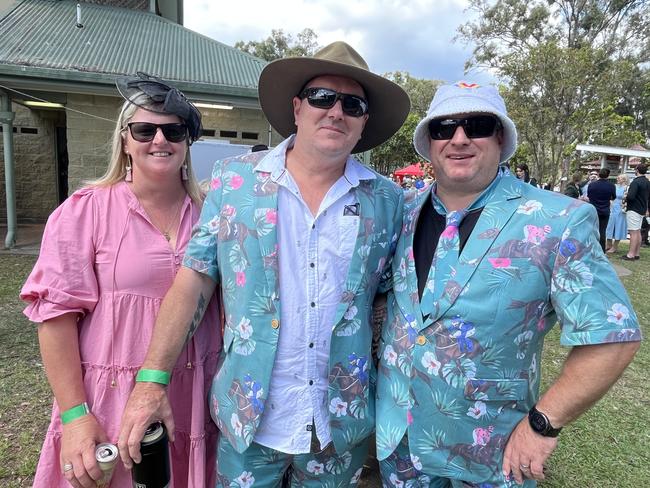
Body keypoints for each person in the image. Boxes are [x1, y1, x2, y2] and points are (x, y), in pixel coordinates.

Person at [118, 41, 410, 486]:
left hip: (340, 425)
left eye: (352, 104)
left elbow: (388, 302)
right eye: (321, 97)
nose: (335, 111)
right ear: (297, 107)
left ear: (364, 120)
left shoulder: (388, 200)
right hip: (247, 418)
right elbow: (194, 279)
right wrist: (151, 380)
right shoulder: (235, 181)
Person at [375, 81, 641, 487]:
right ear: (429, 142)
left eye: (476, 125)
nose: (459, 139)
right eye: (444, 128)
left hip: (490, 455)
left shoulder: (558, 219)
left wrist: (543, 424)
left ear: (500, 137)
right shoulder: (403, 212)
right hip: (400, 447)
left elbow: (614, 337)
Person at [20, 73, 221, 488]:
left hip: (195, 391)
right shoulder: (86, 211)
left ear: (187, 142)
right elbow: (55, 318)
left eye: (173, 130)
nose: (159, 140)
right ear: (125, 140)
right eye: (145, 130)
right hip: (111, 395)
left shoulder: (216, 214)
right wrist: (75, 415)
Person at [621, 163, 650, 261]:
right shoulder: (647, 182)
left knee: (633, 232)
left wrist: (625, 197)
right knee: (637, 231)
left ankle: (631, 254)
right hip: (642, 209)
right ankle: (636, 253)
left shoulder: (635, 182)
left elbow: (631, 196)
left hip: (633, 209)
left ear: (637, 170)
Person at [587, 167, 616, 252]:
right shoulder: (611, 185)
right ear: (608, 175)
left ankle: (589, 247)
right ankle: (601, 249)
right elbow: (613, 197)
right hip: (605, 210)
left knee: (591, 229)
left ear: (599, 174)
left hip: (593, 209)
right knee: (602, 231)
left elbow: (589, 195)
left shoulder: (592, 184)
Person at [605, 174, 629, 253]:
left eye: (620, 178)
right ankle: (608, 244)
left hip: (621, 209)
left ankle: (615, 247)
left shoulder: (626, 188)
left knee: (618, 226)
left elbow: (627, 198)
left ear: (624, 179)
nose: (617, 179)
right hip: (612, 207)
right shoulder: (614, 186)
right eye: (618, 177)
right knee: (609, 225)